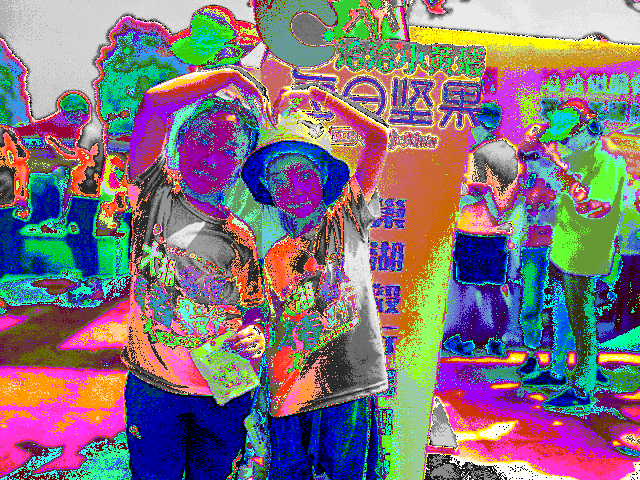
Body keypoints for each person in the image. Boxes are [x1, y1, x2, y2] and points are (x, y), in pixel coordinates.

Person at [122, 67, 269, 480]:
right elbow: (155, 103)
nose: (211, 156)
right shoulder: (155, 194)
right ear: (179, 142)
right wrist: (229, 76)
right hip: (153, 387)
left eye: (229, 149)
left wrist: (255, 335)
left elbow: (254, 309)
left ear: (241, 163)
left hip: (224, 394)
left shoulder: (243, 237)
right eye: (202, 140)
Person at [241, 84, 388, 480]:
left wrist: (323, 99)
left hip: (349, 386)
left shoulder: (347, 218)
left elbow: (378, 139)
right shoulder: (272, 254)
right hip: (289, 393)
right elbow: (272, 322)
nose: (291, 187)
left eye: (302, 173)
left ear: (323, 178)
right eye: (277, 178)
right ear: (266, 189)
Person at [532, 99, 626, 411]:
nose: (564, 144)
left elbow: (593, 208)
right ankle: (571, 372)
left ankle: (583, 385)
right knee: (566, 314)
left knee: (581, 318)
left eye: (567, 138)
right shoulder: (580, 158)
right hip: (566, 247)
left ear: (587, 130)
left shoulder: (607, 162)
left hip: (585, 251)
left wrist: (559, 169)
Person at [442, 138, 523, 358]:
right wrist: (468, 192)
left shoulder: (509, 166)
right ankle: (465, 338)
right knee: (470, 291)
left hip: (491, 238)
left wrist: (486, 195)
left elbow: (506, 210)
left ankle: (491, 339)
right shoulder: (471, 161)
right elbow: (454, 195)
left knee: (491, 290)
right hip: (470, 236)